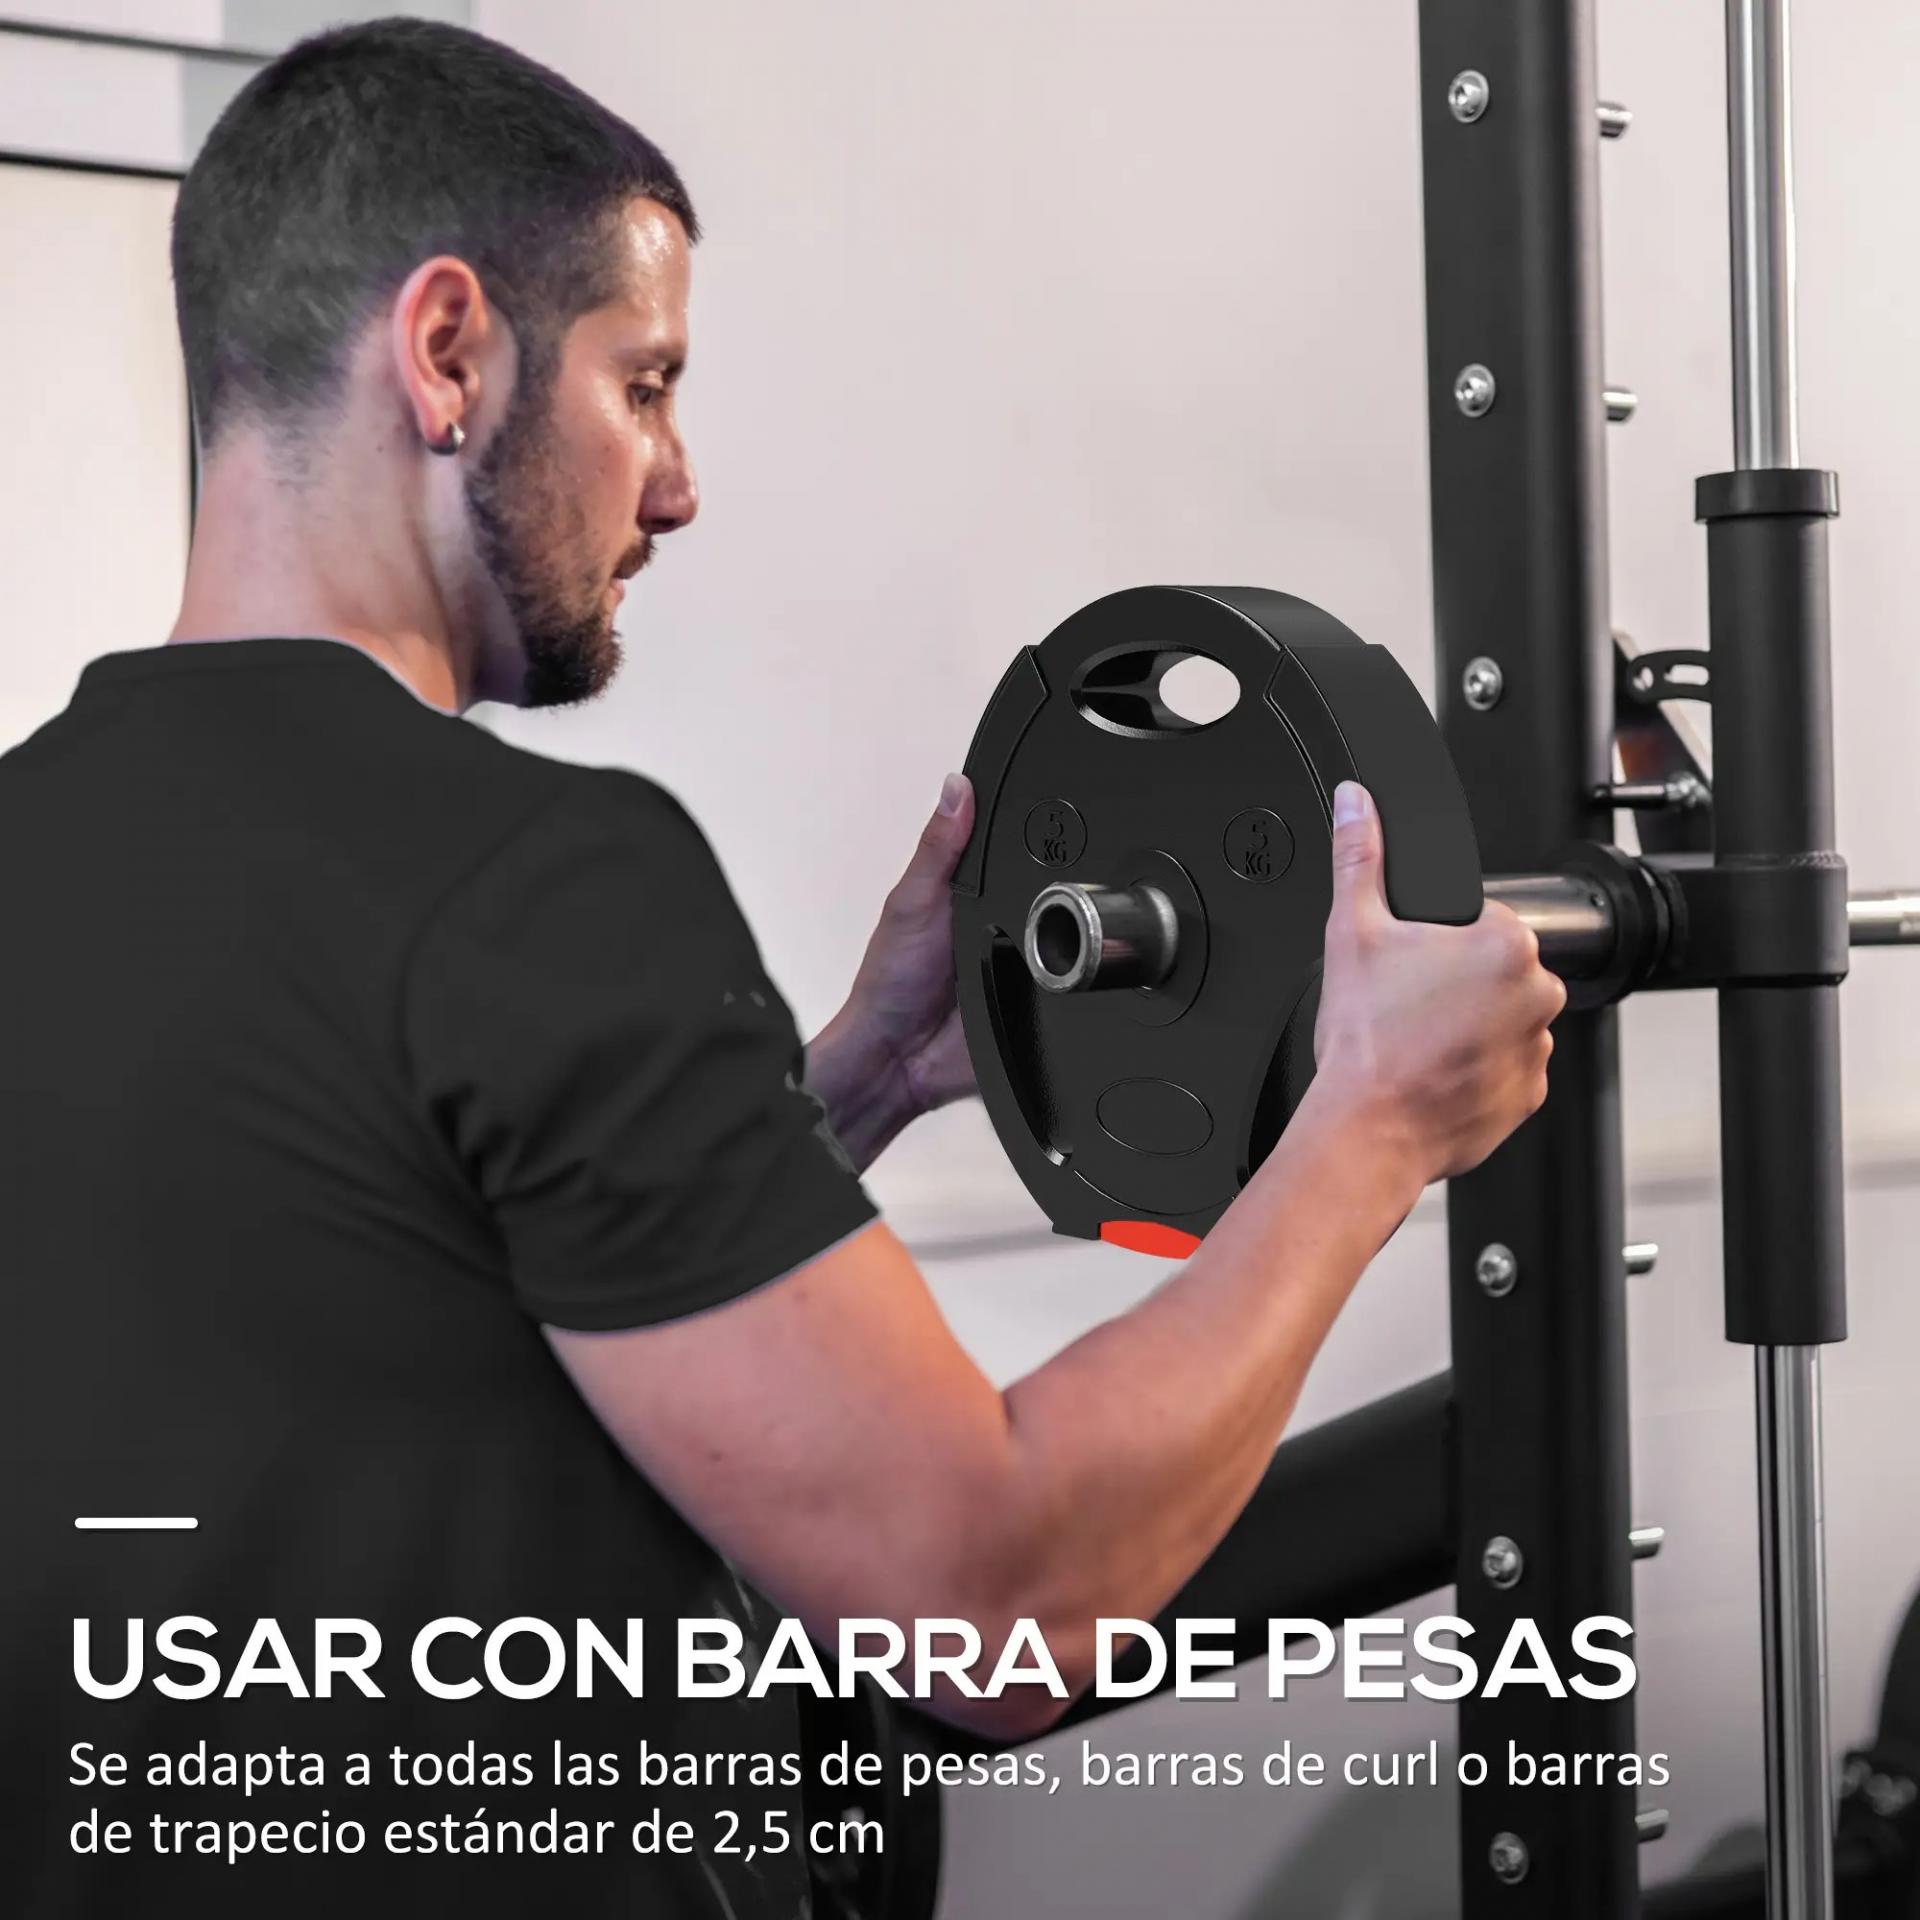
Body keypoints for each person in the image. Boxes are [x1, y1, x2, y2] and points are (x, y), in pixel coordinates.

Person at [0, 18, 1563, 1917]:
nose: (672, 486)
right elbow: (995, 1604)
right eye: (643, 384)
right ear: (447, 351)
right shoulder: (531, 879)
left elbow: (384, 1286)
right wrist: (1378, 1123)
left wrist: (863, 1081)